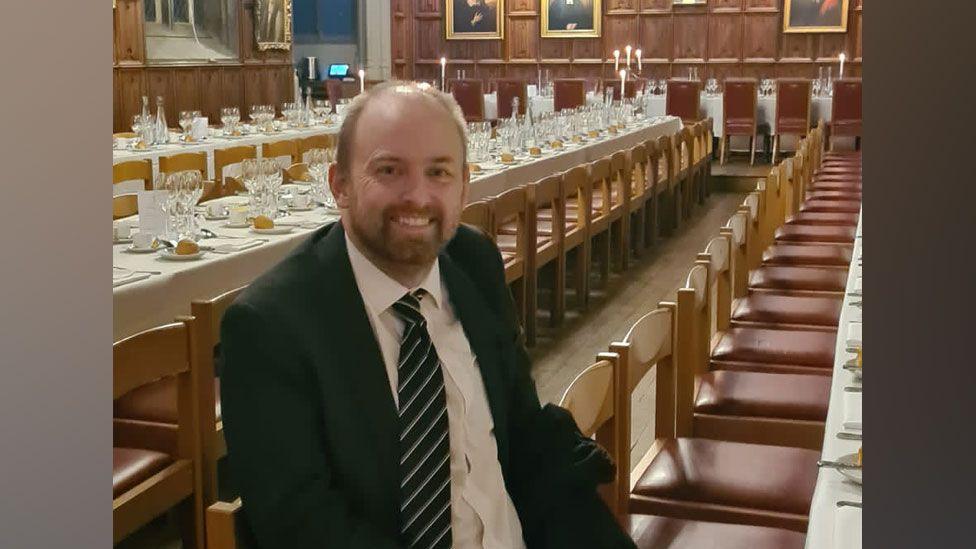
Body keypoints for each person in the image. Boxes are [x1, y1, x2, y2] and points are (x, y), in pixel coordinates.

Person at [219, 80, 635, 549]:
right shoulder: (271, 326)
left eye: (439, 172)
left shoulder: (473, 262)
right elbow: (301, 524)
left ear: (463, 187)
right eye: (389, 170)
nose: (416, 196)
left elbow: (520, 427)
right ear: (339, 185)